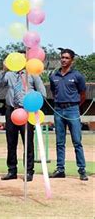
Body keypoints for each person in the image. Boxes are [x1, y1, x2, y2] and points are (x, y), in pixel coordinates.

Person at [0, 57, 46, 182]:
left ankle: (29, 171)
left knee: (28, 142)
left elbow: (42, 93)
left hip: (27, 111)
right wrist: (3, 70)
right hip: (12, 110)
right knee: (11, 142)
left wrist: (34, 105)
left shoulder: (32, 74)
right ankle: (12, 170)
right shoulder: (9, 74)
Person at [49, 49, 88, 181]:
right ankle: (60, 169)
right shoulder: (54, 76)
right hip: (58, 110)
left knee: (77, 141)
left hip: (73, 109)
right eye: (62, 57)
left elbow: (83, 95)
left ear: (72, 60)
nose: (63, 60)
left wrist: (75, 105)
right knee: (60, 142)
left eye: (66, 58)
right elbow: (54, 93)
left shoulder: (77, 76)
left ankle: (82, 170)